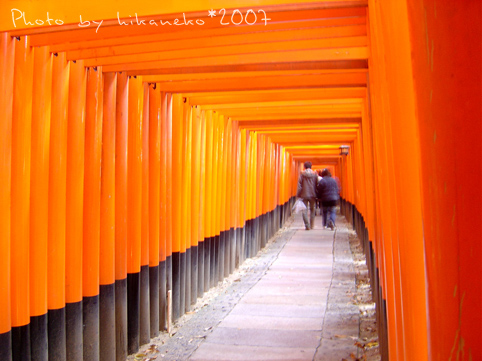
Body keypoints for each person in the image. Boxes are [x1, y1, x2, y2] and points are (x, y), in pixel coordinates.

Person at [296, 161, 318, 230]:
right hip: (313, 194)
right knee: (312, 210)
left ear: (304, 167)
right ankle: (312, 225)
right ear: (311, 166)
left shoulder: (302, 175)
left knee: (304, 210)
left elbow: (299, 185)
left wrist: (298, 194)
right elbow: (317, 184)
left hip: (304, 194)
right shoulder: (315, 175)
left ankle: (307, 225)